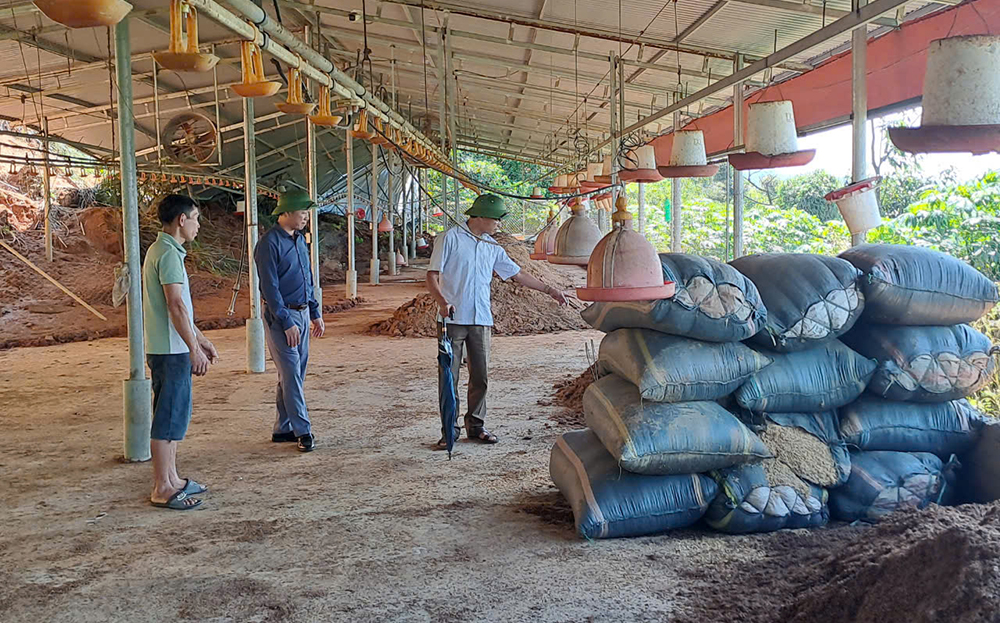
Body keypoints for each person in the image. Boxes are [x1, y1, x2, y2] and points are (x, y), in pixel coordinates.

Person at [426, 193, 567, 446]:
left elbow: (518, 274)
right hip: (451, 319)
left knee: (481, 375)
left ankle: (476, 426)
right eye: (496, 220)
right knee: (449, 377)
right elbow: (432, 275)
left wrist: (550, 290)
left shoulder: (492, 246)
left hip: (481, 319)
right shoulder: (449, 239)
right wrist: (441, 302)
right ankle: (450, 430)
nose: (499, 225)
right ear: (479, 217)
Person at [142, 194, 219, 510]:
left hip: (169, 347)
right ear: (181, 220)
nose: (199, 225)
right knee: (168, 417)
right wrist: (193, 349)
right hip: (170, 350)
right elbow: (175, 306)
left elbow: (180, 309)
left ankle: (172, 479)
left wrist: (200, 339)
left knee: (173, 415)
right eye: (196, 218)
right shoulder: (169, 255)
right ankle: (162, 487)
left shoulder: (164, 250)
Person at [255, 188, 325, 453]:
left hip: (303, 313)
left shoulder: (298, 240)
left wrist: (315, 312)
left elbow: (308, 278)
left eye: (307, 212)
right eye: (302, 212)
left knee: (294, 374)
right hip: (281, 316)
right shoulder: (268, 244)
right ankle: (303, 430)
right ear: (284, 213)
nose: (306, 217)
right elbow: (269, 289)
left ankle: (283, 427)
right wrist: (285, 321)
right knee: (291, 374)